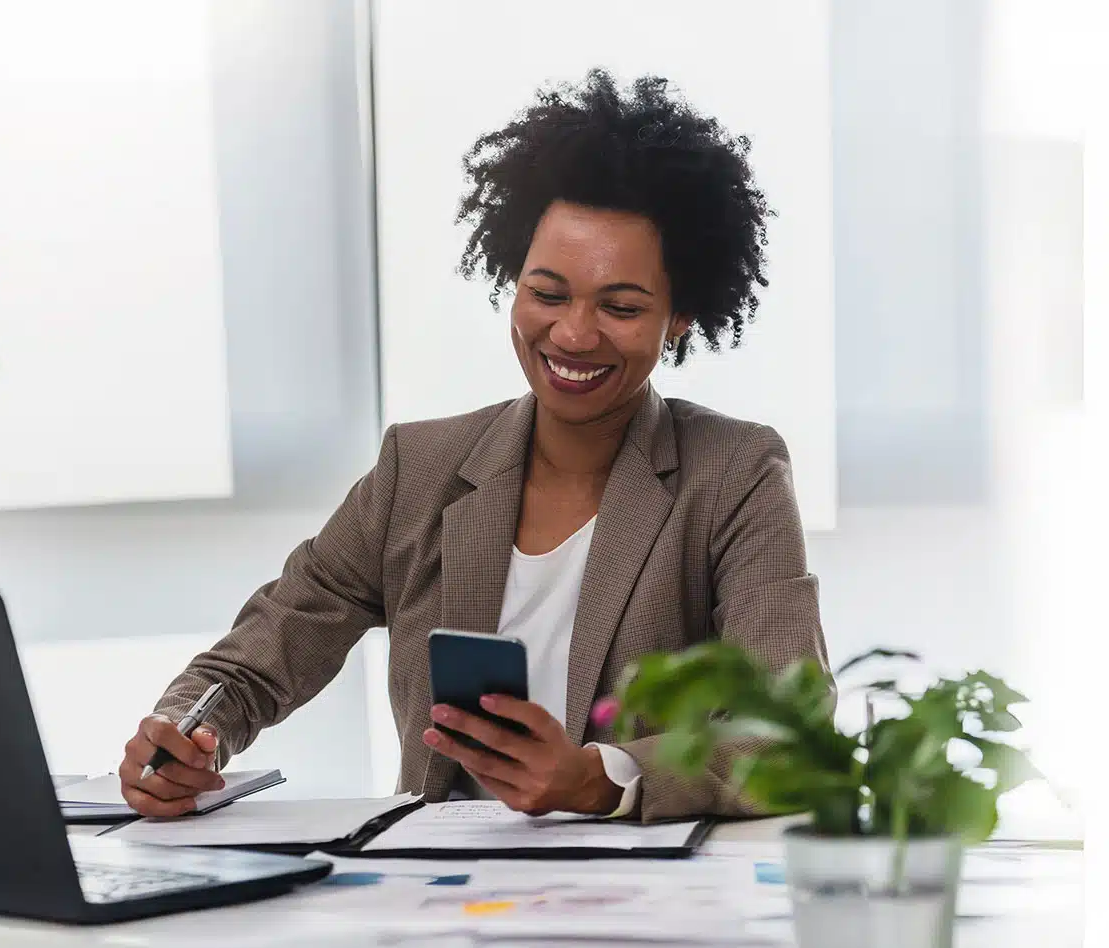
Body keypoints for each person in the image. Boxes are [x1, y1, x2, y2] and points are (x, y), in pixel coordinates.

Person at [118, 70, 828, 823]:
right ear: (511, 281)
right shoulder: (416, 470)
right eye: (547, 293)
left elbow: (788, 733)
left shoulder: (735, 473)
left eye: (620, 306)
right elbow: (259, 654)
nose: (574, 333)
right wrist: (187, 737)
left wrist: (600, 777)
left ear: (680, 315)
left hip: (640, 905)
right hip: (441, 904)